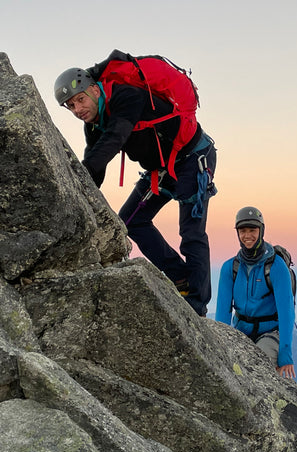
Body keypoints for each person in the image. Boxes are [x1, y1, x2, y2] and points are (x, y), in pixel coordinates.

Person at [54, 59, 216, 316]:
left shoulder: (126, 96)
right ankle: (181, 278)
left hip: (192, 158)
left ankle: (197, 304)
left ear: (95, 90)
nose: (77, 109)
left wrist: (79, 176)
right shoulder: (95, 122)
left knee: (191, 231)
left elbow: (114, 139)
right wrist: (80, 200)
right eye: (70, 105)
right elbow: (94, 164)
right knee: (130, 220)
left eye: (80, 100)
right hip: (160, 170)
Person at [215, 207, 296, 378]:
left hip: (270, 333)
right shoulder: (230, 267)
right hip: (241, 331)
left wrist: (285, 354)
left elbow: (286, 312)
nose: (247, 235)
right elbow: (223, 311)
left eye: (252, 230)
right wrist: (220, 346)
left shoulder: (276, 266)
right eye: (242, 231)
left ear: (261, 230)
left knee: (258, 367)